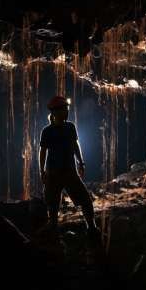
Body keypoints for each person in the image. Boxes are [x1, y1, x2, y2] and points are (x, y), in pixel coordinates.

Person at [39, 95, 100, 238]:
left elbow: (75, 145)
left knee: (85, 201)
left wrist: (81, 162)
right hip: (53, 173)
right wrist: (42, 171)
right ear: (54, 112)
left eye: (66, 109)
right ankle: (53, 229)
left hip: (69, 171)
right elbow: (42, 152)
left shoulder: (70, 127)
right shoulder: (47, 131)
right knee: (53, 205)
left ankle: (91, 227)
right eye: (63, 109)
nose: (66, 112)